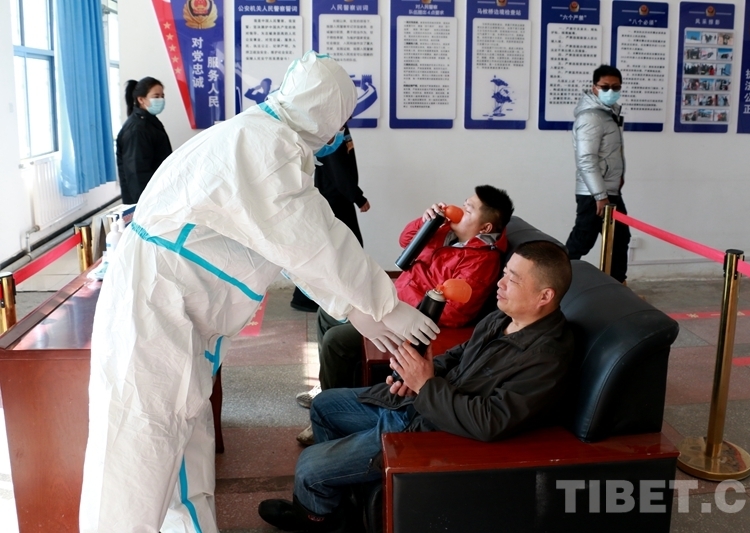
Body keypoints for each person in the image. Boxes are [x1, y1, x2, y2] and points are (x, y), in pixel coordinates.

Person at [79, 52, 439, 533]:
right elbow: (314, 239)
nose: (339, 132)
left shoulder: (262, 136)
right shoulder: (264, 147)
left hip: (173, 309)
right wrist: (385, 305)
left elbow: (290, 244)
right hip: (155, 311)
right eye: (340, 119)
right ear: (325, 111)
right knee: (138, 455)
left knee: (181, 450)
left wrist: (356, 307)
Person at [259, 240, 575, 532]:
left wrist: (425, 385)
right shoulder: (503, 318)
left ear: (545, 296)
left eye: (513, 280)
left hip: (437, 432)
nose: (500, 283)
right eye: (505, 273)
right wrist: (412, 375)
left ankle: (319, 518)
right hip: (423, 404)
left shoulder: (547, 357)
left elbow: (490, 420)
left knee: (309, 468)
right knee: (324, 406)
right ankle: (339, 500)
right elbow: (459, 354)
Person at [294, 185, 514, 445]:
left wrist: (404, 310)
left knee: (336, 340)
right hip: (393, 303)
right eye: (464, 204)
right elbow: (406, 241)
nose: (458, 210)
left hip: (413, 321)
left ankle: (332, 415)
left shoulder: (482, 261)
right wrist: (426, 222)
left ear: (485, 227)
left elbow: (456, 312)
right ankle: (328, 389)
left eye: (468, 210)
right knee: (327, 314)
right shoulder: (445, 232)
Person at [291, 123, 370, 313]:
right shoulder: (332, 129)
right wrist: (358, 197)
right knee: (342, 249)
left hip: (337, 199)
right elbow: (337, 169)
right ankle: (308, 298)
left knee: (335, 249)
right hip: (334, 201)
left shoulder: (339, 127)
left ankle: (315, 297)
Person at [565, 64, 631, 284]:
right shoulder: (591, 117)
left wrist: (615, 181)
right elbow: (586, 159)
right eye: (605, 87)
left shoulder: (606, 114)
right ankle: (554, 283)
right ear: (594, 87)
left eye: (616, 87)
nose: (611, 91)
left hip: (607, 191)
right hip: (594, 194)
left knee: (619, 239)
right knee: (582, 241)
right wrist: (600, 195)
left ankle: (617, 288)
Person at [116, 77, 173, 204]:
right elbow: (137, 172)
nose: (161, 100)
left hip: (157, 191)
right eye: (156, 96)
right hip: (145, 199)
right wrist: (145, 203)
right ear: (141, 99)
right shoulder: (137, 129)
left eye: (162, 96)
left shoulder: (149, 122)